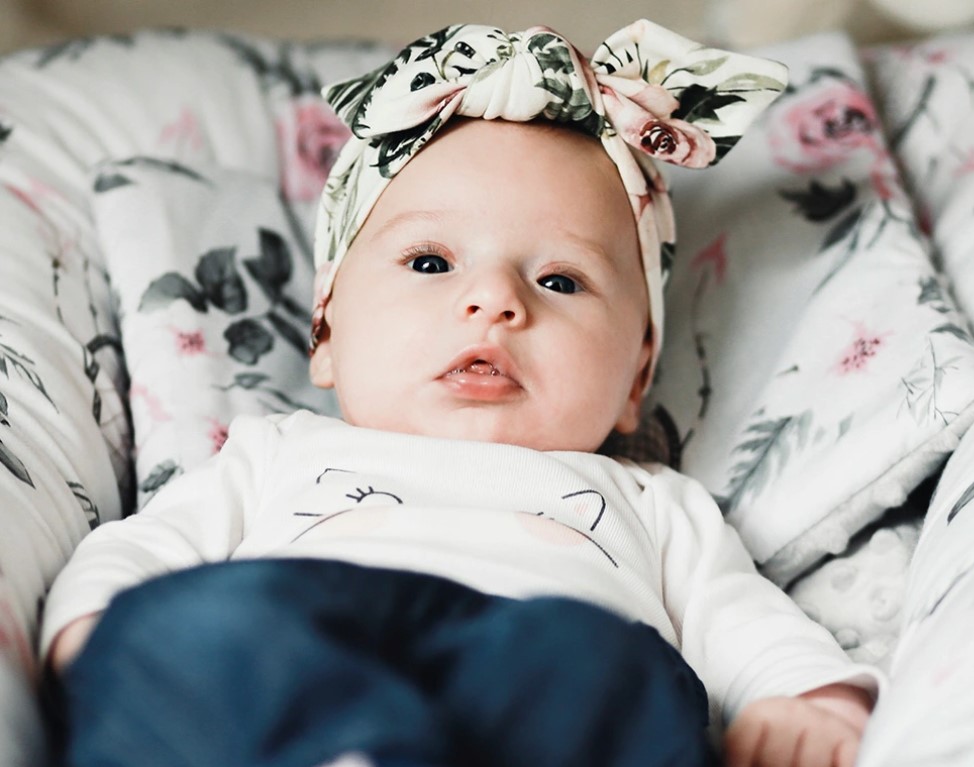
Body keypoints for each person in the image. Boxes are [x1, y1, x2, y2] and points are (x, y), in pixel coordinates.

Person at [41, 20, 883, 767]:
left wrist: (812, 702)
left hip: (537, 662)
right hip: (307, 636)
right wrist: (96, 635)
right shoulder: (275, 452)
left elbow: (747, 626)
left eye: (560, 279)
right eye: (431, 262)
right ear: (326, 335)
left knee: (602, 665)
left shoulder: (656, 504)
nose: (495, 300)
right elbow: (137, 555)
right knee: (198, 627)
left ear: (635, 379)